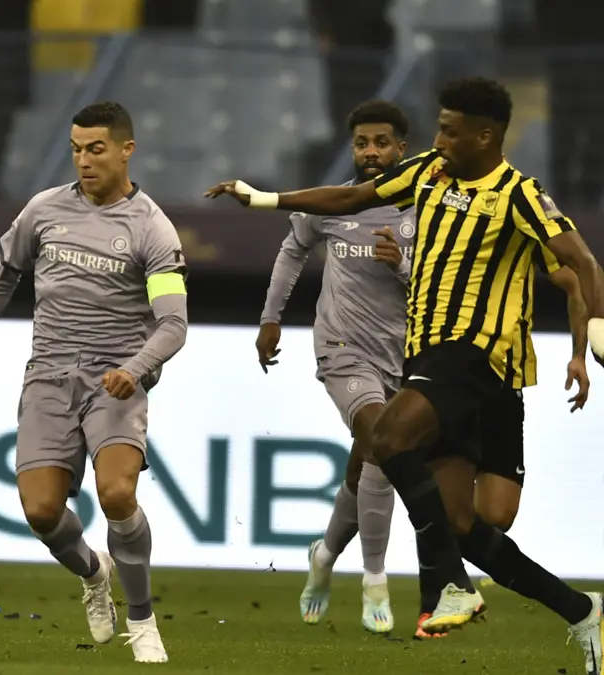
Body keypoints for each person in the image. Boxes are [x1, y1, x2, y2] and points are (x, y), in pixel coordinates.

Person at [207, 77, 604, 672]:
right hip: (430, 358)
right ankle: (581, 610)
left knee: (394, 445)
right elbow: (350, 199)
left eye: (449, 130)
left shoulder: (519, 195)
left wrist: (593, 330)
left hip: (480, 357)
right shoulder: (426, 173)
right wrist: (266, 199)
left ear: (484, 136)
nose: (437, 139)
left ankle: (449, 584)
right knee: (467, 524)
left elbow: (581, 264)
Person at [0, 101, 187, 663]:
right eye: (77, 150)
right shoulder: (44, 210)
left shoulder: (151, 227)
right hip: (49, 376)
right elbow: (3, 275)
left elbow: (173, 325)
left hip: (114, 381)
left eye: (96, 149)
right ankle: (92, 573)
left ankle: (142, 620)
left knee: (117, 494)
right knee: (40, 512)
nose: (84, 160)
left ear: (127, 150)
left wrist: (133, 370)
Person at [257, 100, 413, 634]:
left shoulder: (424, 212)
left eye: (381, 143)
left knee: (365, 462)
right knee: (382, 443)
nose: (371, 152)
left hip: (403, 354)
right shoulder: (331, 204)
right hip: (341, 347)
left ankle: (323, 555)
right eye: (362, 143)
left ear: (401, 149)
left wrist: (403, 265)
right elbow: (292, 250)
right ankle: (375, 580)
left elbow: (442, 283)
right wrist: (271, 317)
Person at [413, 243, 590, 639]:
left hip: (503, 382)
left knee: (494, 516)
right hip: (448, 373)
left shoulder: (522, 221)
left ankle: (581, 607)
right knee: (448, 507)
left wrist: (579, 353)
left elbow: (574, 280)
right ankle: (436, 598)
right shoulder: (432, 223)